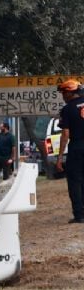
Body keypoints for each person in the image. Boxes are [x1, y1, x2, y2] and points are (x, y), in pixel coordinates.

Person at [56, 79, 84, 223]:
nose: (62, 96)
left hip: (77, 147)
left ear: (69, 93)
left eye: (63, 93)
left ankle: (79, 215)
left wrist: (60, 157)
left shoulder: (67, 109)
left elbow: (65, 134)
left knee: (75, 181)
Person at [0, 122, 16, 187]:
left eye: (1, 127)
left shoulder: (11, 136)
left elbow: (13, 147)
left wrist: (12, 157)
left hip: (6, 157)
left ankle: (5, 187)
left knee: (6, 174)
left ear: (5, 127)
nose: (0, 128)